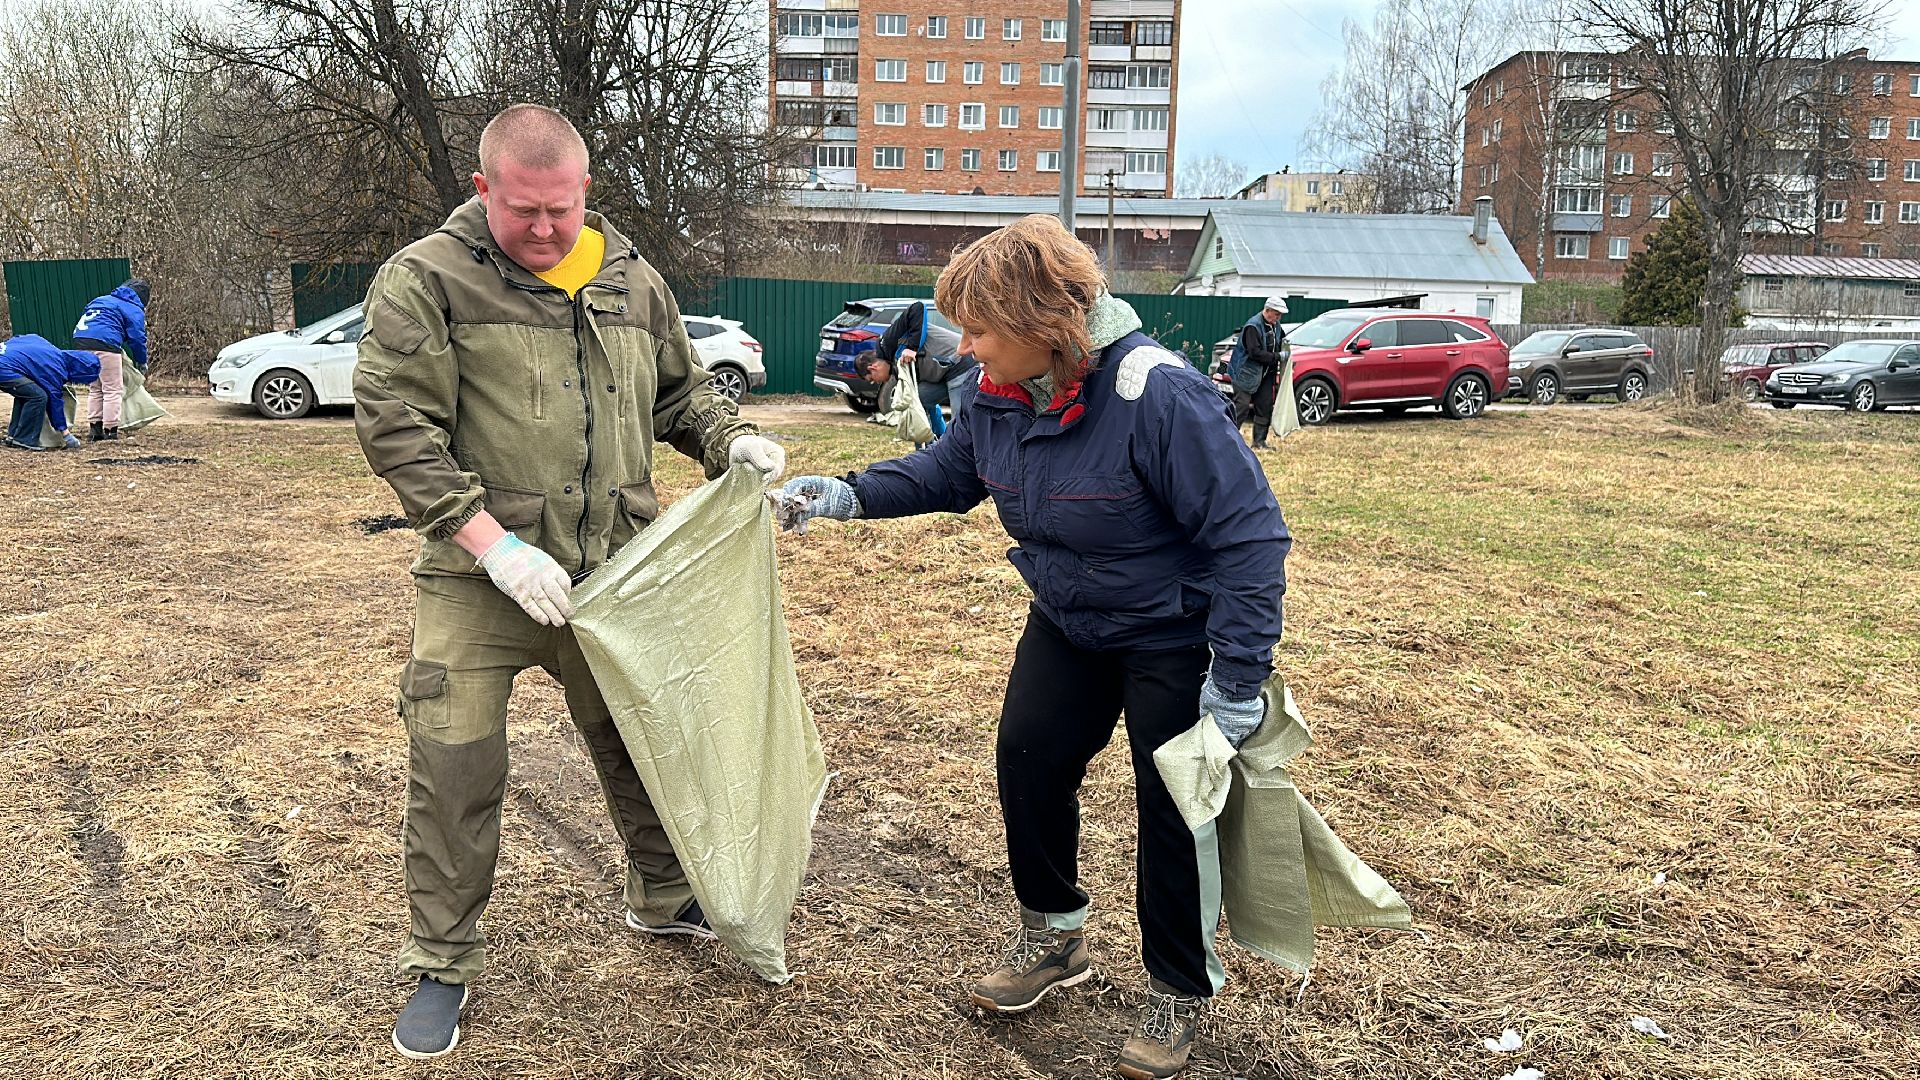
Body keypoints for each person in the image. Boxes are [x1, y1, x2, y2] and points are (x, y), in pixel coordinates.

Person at [775, 215, 1291, 1080]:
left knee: (1174, 805)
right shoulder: (989, 395)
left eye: (979, 328)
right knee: (1029, 755)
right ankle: (1054, 936)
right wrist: (848, 496)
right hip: (1070, 619)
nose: (964, 346)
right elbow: (948, 474)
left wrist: (1238, 679)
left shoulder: (1158, 397)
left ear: (1042, 322)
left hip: (1173, 631)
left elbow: (1249, 539)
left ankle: (1177, 988)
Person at [353, 103, 787, 1061]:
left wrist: (728, 443)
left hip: (613, 577)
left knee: (644, 741)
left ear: (585, 190)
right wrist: (493, 547)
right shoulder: (427, 278)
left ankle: (664, 897)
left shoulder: (634, 280)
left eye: (560, 209)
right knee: (454, 771)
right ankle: (443, 962)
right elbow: (395, 425)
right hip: (482, 580)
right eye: (523, 212)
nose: (545, 230)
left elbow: (681, 395)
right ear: (483, 190)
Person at [864, 300, 979, 438]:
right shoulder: (895, 366)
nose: (876, 382)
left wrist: (912, 348)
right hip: (942, 374)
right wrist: (937, 432)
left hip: (960, 363)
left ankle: (962, 455)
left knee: (960, 422)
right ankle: (934, 448)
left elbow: (917, 307)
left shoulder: (887, 343)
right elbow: (929, 407)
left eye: (871, 379)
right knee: (917, 403)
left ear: (873, 368)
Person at [71, 278, 150, 442]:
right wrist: (141, 361)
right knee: (112, 389)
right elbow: (137, 338)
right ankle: (110, 431)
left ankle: (95, 429)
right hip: (105, 344)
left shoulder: (101, 299)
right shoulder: (133, 308)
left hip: (81, 342)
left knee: (96, 387)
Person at [0, 334, 101, 451]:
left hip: (4, 356)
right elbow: (55, 403)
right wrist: (66, 434)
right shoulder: (55, 369)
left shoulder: (51, 350)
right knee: (38, 397)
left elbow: (26, 337)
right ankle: (24, 439)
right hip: (4, 368)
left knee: (27, 393)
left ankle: (13, 435)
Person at [1227, 296, 1287, 448]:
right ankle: (1227, 440)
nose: (1279, 317)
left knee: (1264, 406)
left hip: (1266, 374)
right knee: (1241, 407)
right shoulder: (1252, 326)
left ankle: (1259, 442)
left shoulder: (1276, 326)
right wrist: (1277, 356)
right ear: (1267, 311)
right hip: (1245, 373)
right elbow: (1255, 353)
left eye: (1280, 315)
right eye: (1277, 314)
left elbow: (1282, 342)